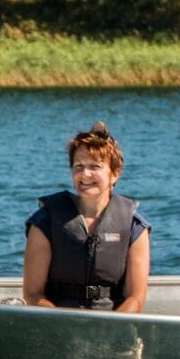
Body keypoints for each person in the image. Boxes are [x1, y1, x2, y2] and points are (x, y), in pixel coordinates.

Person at [22, 122, 151, 311]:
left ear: (115, 174)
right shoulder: (44, 222)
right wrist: (65, 324)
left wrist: (109, 329)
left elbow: (136, 298)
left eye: (95, 166)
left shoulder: (135, 228)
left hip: (112, 322)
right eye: (78, 166)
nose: (85, 174)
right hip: (56, 320)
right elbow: (33, 294)